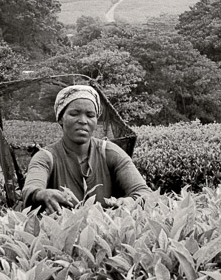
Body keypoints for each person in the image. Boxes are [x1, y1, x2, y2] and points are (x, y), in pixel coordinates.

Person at [22, 84, 150, 213]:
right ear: (61, 118)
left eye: (90, 115)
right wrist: (41, 194)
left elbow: (144, 192)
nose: (83, 121)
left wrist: (129, 201)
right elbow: (30, 189)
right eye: (74, 114)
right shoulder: (46, 157)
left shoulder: (111, 153)